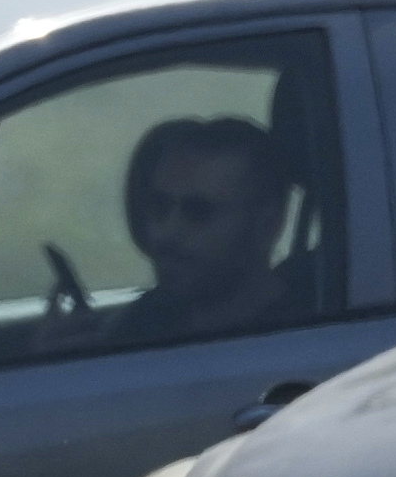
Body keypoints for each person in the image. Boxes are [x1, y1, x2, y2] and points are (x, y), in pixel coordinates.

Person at [113, 115, 309, 347]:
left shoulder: (297, 339)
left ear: (266, 223)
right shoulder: (145, 320)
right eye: (159, 207)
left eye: (198, 212)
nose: (168, 232)